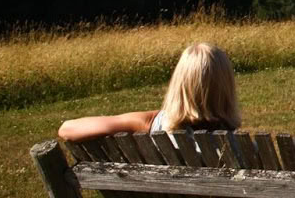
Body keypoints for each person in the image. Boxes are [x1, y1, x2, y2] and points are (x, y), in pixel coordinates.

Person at [58, 41, 241, 141]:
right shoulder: (244, 150)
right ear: (227, 89)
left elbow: (68, 129)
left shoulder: (152, 125)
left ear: (179, 84)